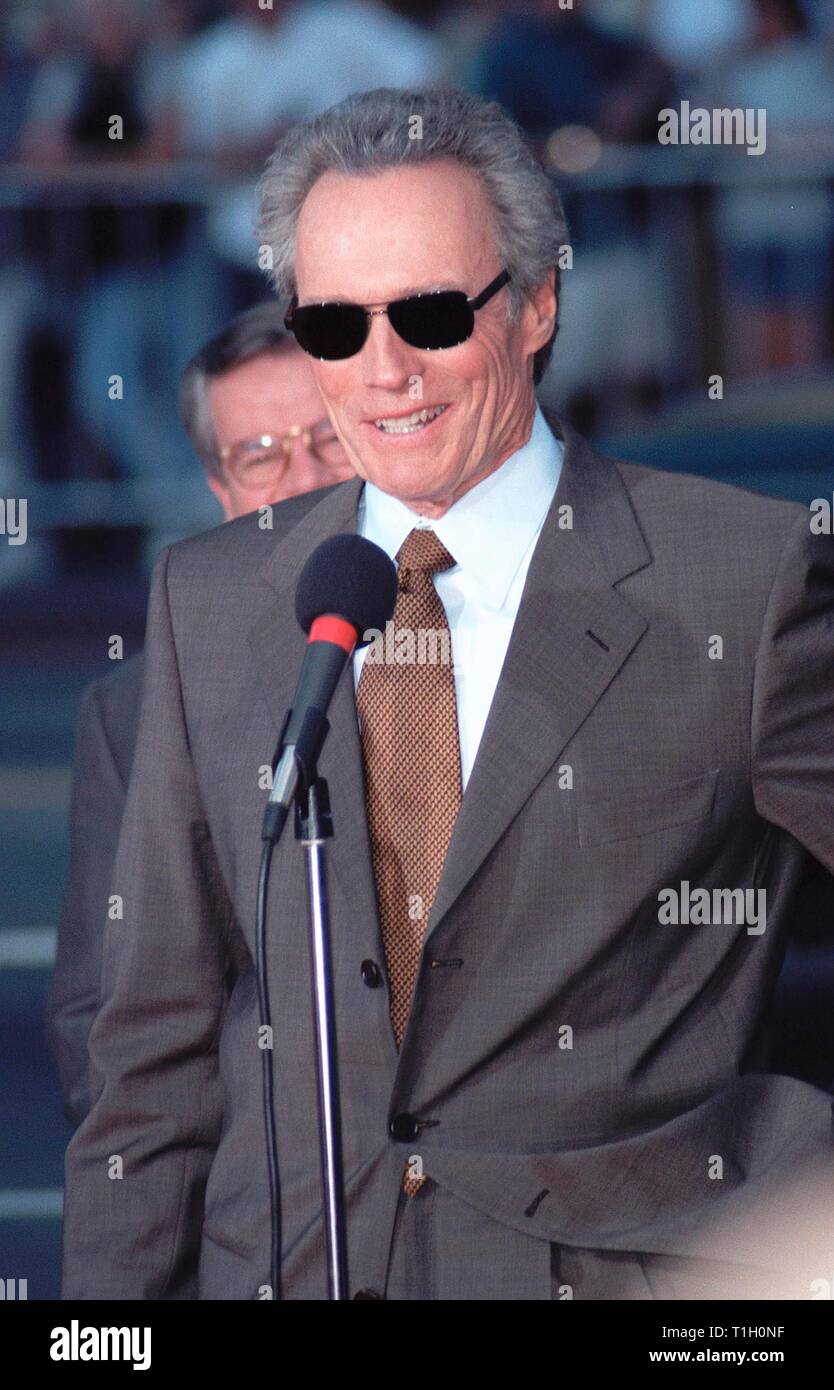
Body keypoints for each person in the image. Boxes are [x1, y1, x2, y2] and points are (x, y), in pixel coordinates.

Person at [62, 87, 834, 1301]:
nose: (383, 372)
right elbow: (150, 1050)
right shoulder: (207, 601)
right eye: (332, 325)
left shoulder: (740, 577)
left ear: (537, 305)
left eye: (428, 312)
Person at [45, 302, 354, 1129]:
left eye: (327, 438)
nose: (303, 479)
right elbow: (105, 1022)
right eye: (260, 457)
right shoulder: (133, 710)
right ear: (221, 491)